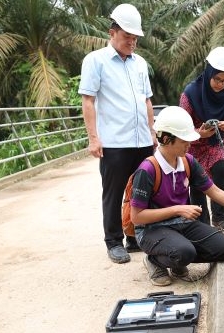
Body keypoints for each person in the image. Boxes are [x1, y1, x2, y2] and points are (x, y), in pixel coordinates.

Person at [131, 106, 224, 286]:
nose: (189, 145)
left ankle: (177, 255)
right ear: (165, 139)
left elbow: (215, 192)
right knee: (184, 252)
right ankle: (155, 261)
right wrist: (178, 209)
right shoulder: (147, 170)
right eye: (184, 140)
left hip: (182, 224)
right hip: (151, 230)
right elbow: (136, 217)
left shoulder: (187, 161)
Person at [78, 3, 157, 264]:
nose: (132, 42)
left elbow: (146, 101)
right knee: (113, 193)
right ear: (112, 32)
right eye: (127, 37)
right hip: (114, 142)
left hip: (142, 140)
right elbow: (88, 101)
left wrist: (152, 131)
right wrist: (93, 138)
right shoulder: (95, 61)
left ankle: (136, 236)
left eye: (135, 38)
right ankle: (113, 241)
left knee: (141, 192)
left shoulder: (140, 64)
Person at [179, 46, 224, 231]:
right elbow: (182, 125)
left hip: (216, 142)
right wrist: (198, 133)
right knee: (196, 180)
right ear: (208, 72)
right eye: (216, 79)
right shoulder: (190, 93)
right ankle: (201, 223)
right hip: (193, 145)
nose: (220, 84)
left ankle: (220, 218)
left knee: (221, 168)